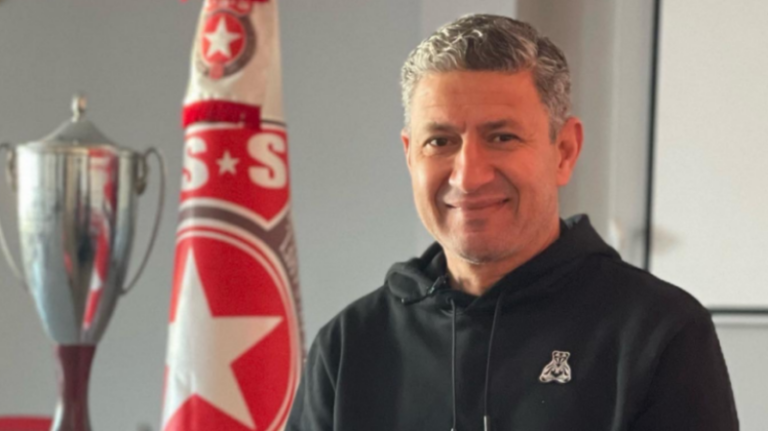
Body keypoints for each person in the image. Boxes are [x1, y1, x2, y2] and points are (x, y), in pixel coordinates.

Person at [286, 14, 738, 431]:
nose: (468, 176)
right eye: (440, 141)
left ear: (564, 152)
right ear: (410, 155)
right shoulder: (348, 346)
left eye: (502, 137)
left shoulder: (659, 333)